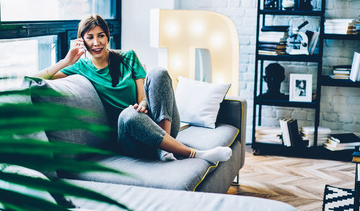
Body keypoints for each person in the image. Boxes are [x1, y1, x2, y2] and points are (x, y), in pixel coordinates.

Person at [35, 14, 232, 163]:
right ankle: (197, 154)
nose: (96, 42)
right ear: (82, 41)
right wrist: (65, 60)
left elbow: (143, 95)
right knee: (128, 114)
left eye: (101, 35)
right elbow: (33, 78)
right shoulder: (80, 67)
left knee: (158, 72)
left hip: (159, 123)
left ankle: (163, 149)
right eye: (90, 37)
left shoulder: (128, 57)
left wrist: (143, 104)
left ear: (108, 36)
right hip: (130, 135)